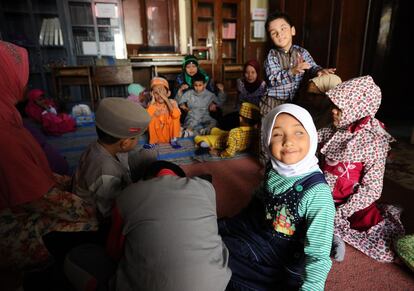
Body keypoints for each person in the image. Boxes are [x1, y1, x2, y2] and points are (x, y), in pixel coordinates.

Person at [0, 40, 97, 270]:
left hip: (27, 203)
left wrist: (69, 182)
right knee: (93, 222)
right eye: (20, 73)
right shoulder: (4, 134)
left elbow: (36, 176)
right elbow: (36, 196)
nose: (25, 80)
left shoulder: (8, 115)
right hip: (9, 225)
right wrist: (89, 206)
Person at [64, 161, 231, 291]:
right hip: (217, 285)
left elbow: (114, 252)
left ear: (144, 180)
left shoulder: (128, 195)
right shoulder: (207, 188)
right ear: (181, 178)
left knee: (77, 256)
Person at [219, 103, 335, 290]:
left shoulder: (317, 193)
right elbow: (257, 202)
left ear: (312, 137)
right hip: (260, 234)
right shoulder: (273, 169)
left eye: (298, 133)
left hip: (282, 260)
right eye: (277, 134)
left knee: (217, 256)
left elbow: (318, 255)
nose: (288, 141)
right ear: (266, 141)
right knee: (209, 234)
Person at [318, 75, 405, 262]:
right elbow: (310, 138)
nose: (333, 111)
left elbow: (372, 189)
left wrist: (343, 211)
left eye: (339, 108)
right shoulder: (332, 130)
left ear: (357, 109)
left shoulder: (373, 142)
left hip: (351, 204)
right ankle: (332, 233)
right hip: (323, 195)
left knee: (384, 246)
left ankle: (333, 231)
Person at [259, 11, 336, 165]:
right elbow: (273, 79)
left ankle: (289, 159)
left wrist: (319, 71)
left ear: (292, 30)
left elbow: (312, 66)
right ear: (271, 37)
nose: (280, 34)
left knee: (289, 129)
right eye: (274, 33)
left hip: (294, 99)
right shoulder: (271, 56)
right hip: (273, 100)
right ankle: (266, 162)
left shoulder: (302, 52)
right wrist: (292, 71)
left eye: (283, 29)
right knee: (269, 131)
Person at [72, 97, 153, 222]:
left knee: (149, 154)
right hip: (99, 211)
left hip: (110, 180)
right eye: (137, 138)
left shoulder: (101, 146)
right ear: (125, 143)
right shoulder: (106, 170)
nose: (138, 141)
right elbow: (108, 212)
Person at [194, 102, 260, 158]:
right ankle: (209, 131)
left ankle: (206, 145)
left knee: (198, 138)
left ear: (240, 119)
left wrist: (218, 153)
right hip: (232, 139)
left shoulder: (234, 132)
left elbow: (229, 152)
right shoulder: (256, 130)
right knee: (216, 130)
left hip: (221, 142)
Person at [220, 60, 267, 130]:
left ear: (257, 73)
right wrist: (240, 116)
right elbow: (238, 100)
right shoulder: (240, 83)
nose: (250, 75)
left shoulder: (263, 86)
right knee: (223, 121)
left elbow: (265, 107)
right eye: (247, 72)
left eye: (253, 72)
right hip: (242, 113)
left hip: (257, 116)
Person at [179, 72, 225, 137]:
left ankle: (204, 131)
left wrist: (221, 91)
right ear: (193, 85)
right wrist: (184, 107)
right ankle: (191, 132)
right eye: (195, 85)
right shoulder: (189, 93)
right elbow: (180, 102)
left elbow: (220, 102)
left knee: (214, 122)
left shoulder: (210, 94)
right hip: (192, 114)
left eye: (200, 85)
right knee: (190, 124)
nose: (197, 88)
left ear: (204, 84)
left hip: (205, 114)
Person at [145, 76, 182, 149]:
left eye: (162, 92)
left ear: (168, 93)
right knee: (151, 117)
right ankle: (152, 142)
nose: (160, 96)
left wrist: (166, 99)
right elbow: (146, 118)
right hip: (158, 134)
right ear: (152, 94)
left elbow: (176, 115)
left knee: (175, 116)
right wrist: (152, 103)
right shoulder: (151, 104)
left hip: (169, 134)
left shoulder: (172, 102)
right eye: (156, 93)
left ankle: (173, 140)